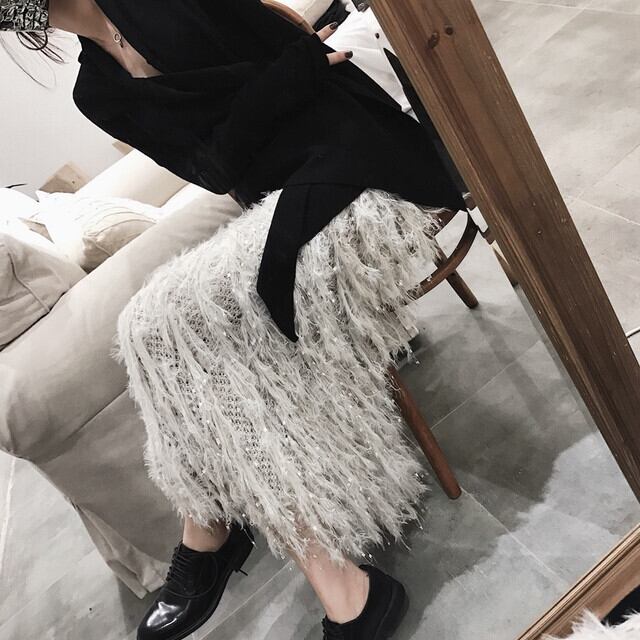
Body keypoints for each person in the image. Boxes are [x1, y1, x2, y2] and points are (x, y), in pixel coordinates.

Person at [1, 0, 468, 638]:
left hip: (356, 153)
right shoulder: (96, 92)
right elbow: (217, 167)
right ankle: (232, 532)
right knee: (143, 326)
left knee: (206, 323)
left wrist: (268, 95)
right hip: (275, 193)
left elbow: (302, 69)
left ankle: (234, 541)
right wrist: (275, 89)